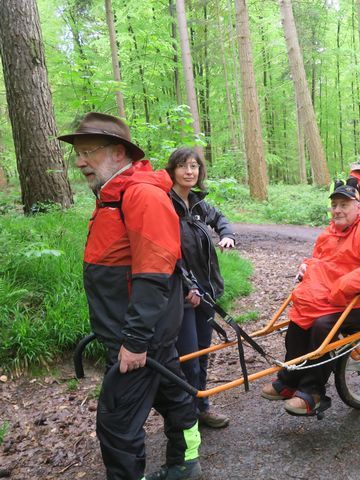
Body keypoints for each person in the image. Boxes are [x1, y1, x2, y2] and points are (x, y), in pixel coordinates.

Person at [58, 113, 202, 480]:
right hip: (142, 338)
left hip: (138, 343)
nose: (79, 161)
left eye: (88, 151)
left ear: (118, 153)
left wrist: (135, 341)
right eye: (78, 152)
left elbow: (153, 276)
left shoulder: (141, 196)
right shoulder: (111, 197)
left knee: (116, 425)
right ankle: (185, 464)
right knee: (174, 399)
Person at [261, 186, 360, 415]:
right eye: (334, 205)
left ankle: (313, 391)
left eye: (344, 205)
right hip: (334, 295)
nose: (337, 210)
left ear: (358, 207)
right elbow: (323, 260)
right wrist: (308, 265)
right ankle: (290, 378)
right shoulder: (331, 231)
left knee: (323, 325)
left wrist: (346, 283)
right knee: (299, 318)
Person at [166, 147, 236, 430]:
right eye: (183, 166)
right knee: (188, 359)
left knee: (202, 354)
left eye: (194, 166)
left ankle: (201, 407)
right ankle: (185, 417)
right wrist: (188, 286)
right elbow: (167, 252)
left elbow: (220, 219)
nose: (189, 171)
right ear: (172, 170)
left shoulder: (198, 204)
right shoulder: (165, 205)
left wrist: (227, 235)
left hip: (206, 292)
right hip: (182, 296)